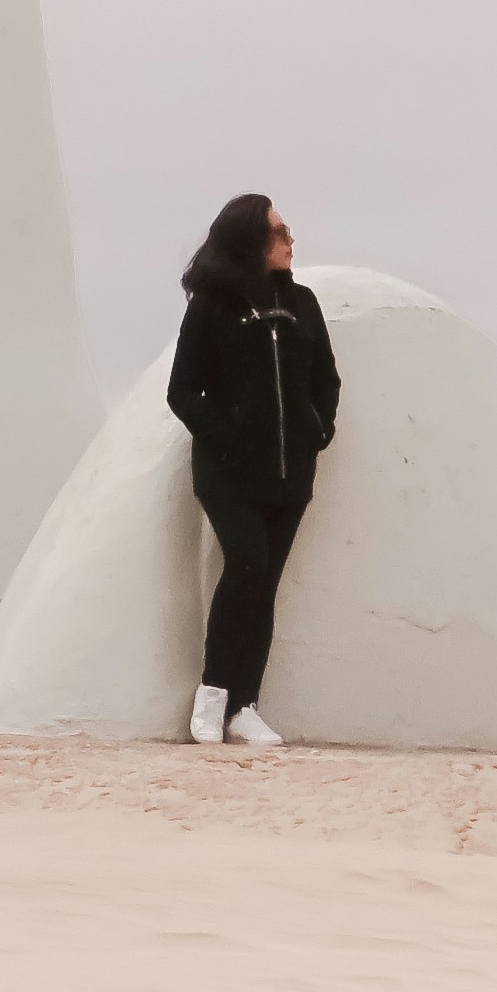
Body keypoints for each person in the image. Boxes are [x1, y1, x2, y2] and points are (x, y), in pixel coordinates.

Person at [166, 193, 337, 746]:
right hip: (229, 473)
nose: (291, 240)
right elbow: (183, 390)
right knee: (246, 566)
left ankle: (244, 705)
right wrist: (230, 435)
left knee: (264, 585)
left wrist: (317, 430)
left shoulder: (302, 303)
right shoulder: (212, 305)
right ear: (250, 240)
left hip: (291, 474)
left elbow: (326, 379)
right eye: (279, 232)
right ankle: (212, 695)